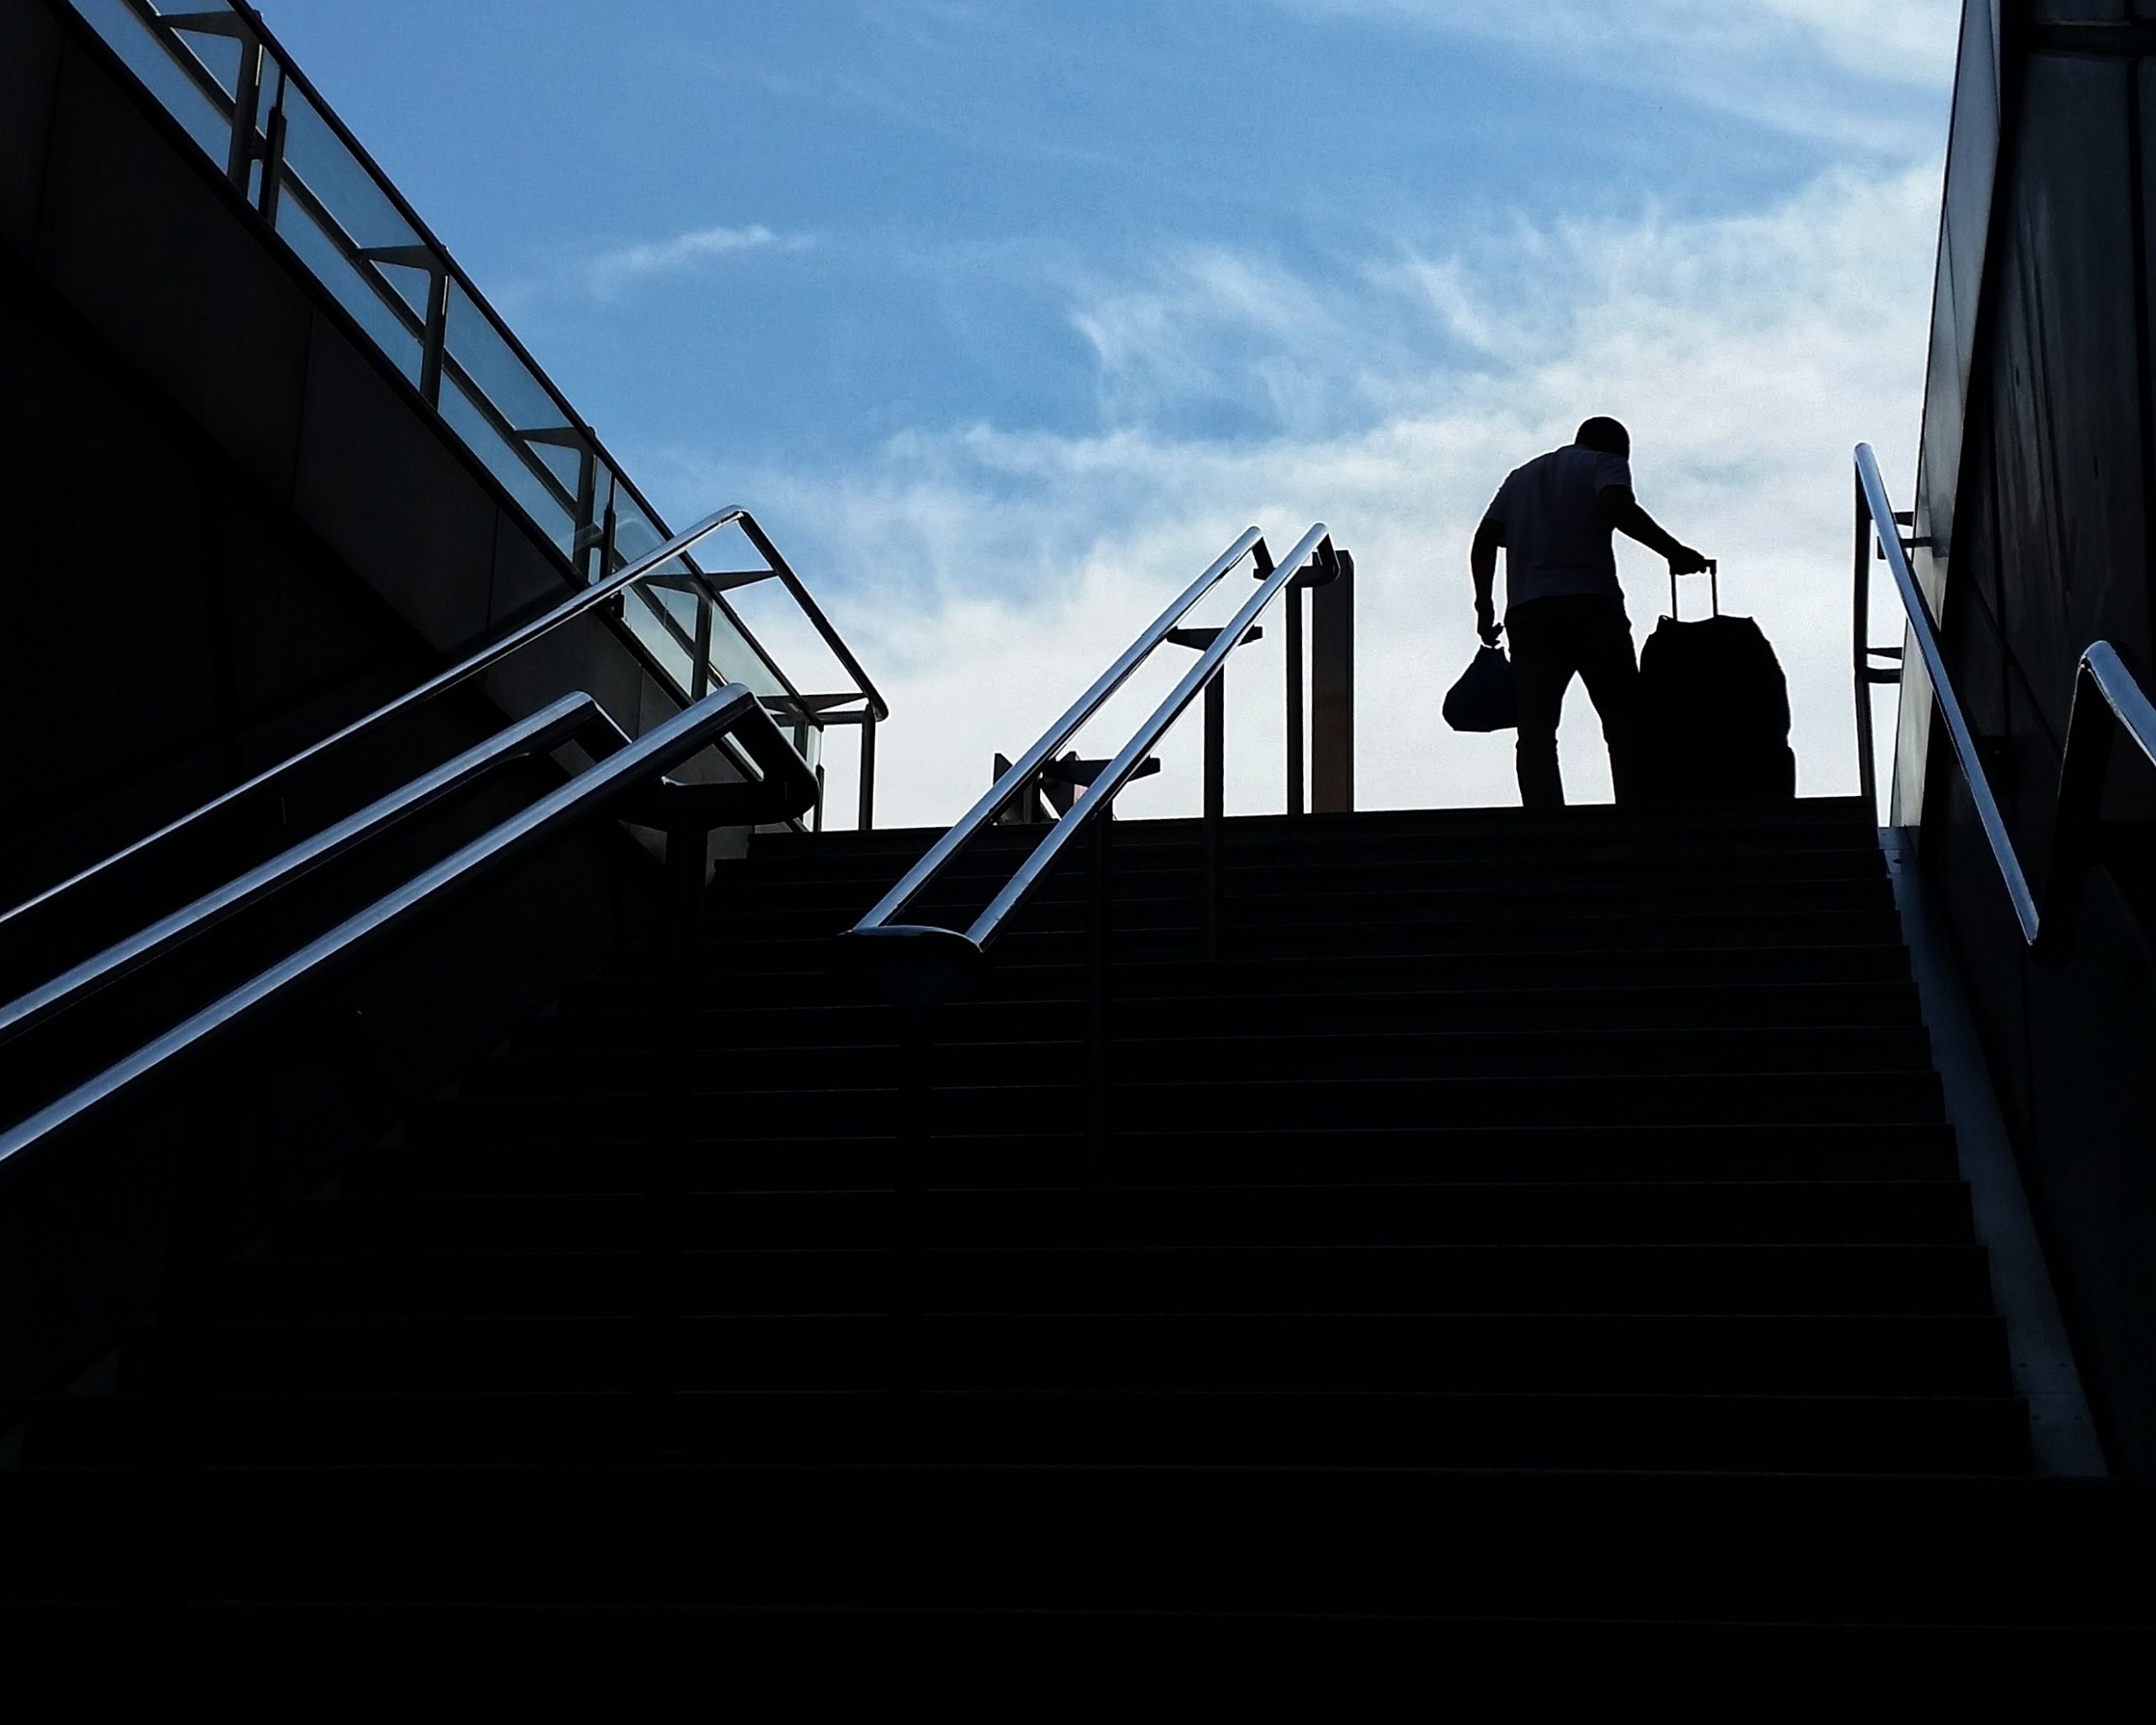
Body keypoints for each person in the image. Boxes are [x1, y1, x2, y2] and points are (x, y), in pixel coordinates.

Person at [1470, 416, 1710, 809]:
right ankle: (1634, 810)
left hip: (1530, 612)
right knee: (1623, 719)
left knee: (1536, 727)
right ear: (1617, 447)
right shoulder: (1605, 462)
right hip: (1592, 605)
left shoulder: (1520, 477)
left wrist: (1484, 605)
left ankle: (1543, 817)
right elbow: (1616, 505)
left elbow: (1484, 539)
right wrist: (1675, 551)